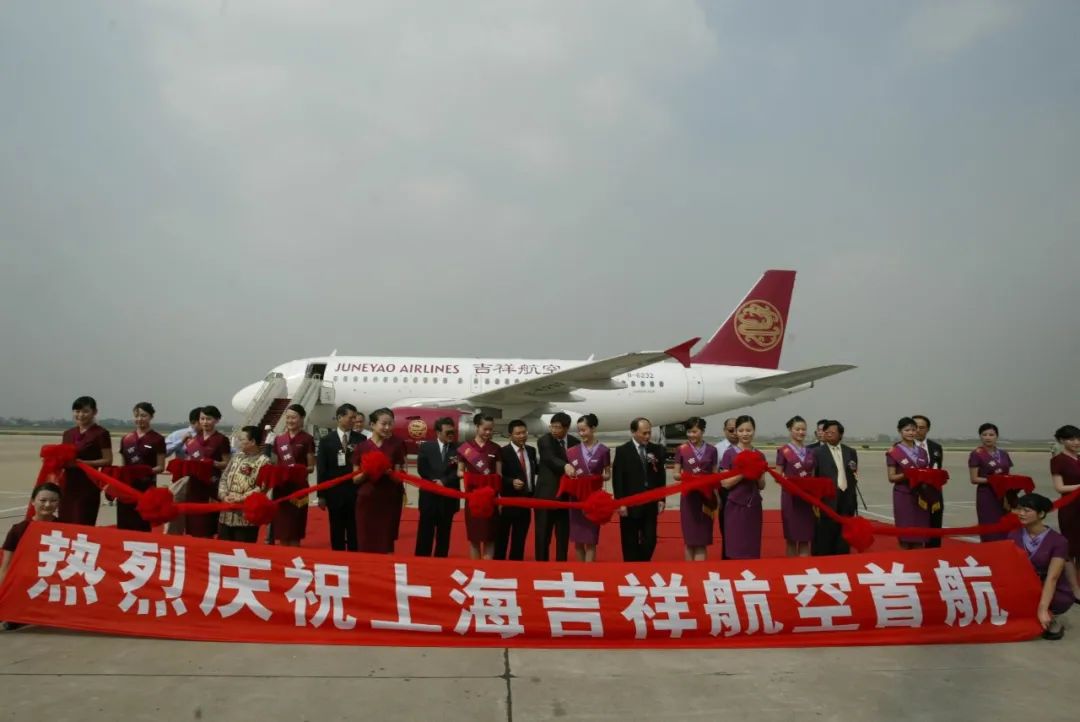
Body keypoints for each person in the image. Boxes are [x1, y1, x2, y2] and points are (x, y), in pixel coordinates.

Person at [1010, 493, 1074, 640]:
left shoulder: (1058, 541)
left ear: (1041, 514)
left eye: (1027, 510)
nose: (1021, 513)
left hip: (1048, 585)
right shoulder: (1013, 535)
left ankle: (1049, 615)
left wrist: (1042, 609)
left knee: (1060, 600)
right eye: (1019, 509)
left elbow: (1053, 577)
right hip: (1025, 585)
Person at [2, 482, 61, 630]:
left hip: (54, 583)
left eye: (53, 501)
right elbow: (6, 565)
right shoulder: (19, 530)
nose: (47, 505)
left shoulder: (65, 528)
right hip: (26, 582)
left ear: (59, 503)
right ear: (33, 501)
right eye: (43, 500)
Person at [352, 408, 407, 554]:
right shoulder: (361, 447)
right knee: (365, 538)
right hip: (367, 498)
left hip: (388, 498)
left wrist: (388, 471)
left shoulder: (396, 446)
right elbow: (355, 479)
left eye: (390, 424)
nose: (387, 428)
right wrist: (367, 471)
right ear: (372, 425)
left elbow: (399, 476)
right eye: (383, 424)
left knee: (386, 539)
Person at [612, 417, 666, 562]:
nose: (647, 436)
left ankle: (642, 564)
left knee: (650, 540)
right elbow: (618, 479)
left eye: (649, 433)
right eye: (644, 433)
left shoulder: (656, 450)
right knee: (629, 541)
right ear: (633, 432)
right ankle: (631, 568)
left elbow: (661, 476)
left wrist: (662, 499)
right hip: (630, 504)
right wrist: (620, 502)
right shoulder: (623, 451)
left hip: (650, 503)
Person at [58, 396, 113, 526]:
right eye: (77, 411)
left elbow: (108, 460)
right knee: (64, 522)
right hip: (68, 485)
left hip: (88, 485)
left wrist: (84, 463)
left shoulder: (101, 433)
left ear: (94, 412)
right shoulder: (68, 433)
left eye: (85, 411)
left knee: (82, 521)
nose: (81, 415)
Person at [564, 414, 611, 562]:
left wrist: (596, 478)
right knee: (578, 540)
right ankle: (580, 570)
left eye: (584, 430)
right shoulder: (572, 451)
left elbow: (607, 474)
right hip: (576, 499)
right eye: (579, 430)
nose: (581, 433)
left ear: (593, 429)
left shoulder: (604, 450)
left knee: (591, 539)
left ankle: (589, 570)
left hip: (593, 499)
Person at [718, 415, 766, 560]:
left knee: (752, 545)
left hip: (754, 505)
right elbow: (725, 483)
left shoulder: (759, 455)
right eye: (741, 430)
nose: (745, 434)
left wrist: (757, 473)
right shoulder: (729, 454)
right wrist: (744, 473)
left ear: (754, 431)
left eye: (748, 430)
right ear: (736, 432)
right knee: (735, 545)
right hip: (735, 504)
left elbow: (762, 485)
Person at [317, 404, 363, 551]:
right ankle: (338, 557)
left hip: (355, 492)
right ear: (339, 418)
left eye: (355, 418)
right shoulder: (326, 441)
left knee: (354, 529)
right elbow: (322, 469)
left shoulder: (361, 439)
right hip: (334, 494)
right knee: (336, 529)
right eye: (351, 418)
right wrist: (321, 495)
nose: (354, 421)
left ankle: (354, 557)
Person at [535, 412, 579, 562]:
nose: (554, 430)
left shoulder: (574, 442)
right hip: (546, 495)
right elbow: (550, 458)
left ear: (566, 428)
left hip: (565, 496)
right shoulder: (544, 440)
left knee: (562, 535)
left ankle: (561, 565)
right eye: (552, 426)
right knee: (543, 535)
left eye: (557, 427)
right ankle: (541, 566)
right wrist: (565, 466)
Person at [115, 402, 166, 532]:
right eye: (136, 416)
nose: (139, 419)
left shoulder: (158, 439)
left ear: (151, 417)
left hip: (146, 488)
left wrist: (145, 471)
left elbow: (161, 467)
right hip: (127, 489)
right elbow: (124, 466)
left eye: (143, 415)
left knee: (142, 525)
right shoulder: (126, 439)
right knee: (124, 525)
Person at [458, 413, 503, 560]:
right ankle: (475, 569)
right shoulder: (466, 448)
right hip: (473, 498)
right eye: (485, 429)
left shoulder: (496, 448)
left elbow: (499, 475)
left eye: (491, 429)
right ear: (477, 427)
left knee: (490, 538)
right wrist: (474, 478)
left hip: (490, 499)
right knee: (474, 538)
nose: (488, 432)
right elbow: (459, 471)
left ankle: (486, 569)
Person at [269, 405, 315, 547]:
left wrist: (297, 471)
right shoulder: (279, 440)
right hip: (281, 489)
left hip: (298, 489)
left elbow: (311, 467)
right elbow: (274, 463)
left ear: (302, 418)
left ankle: (295, 554)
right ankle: (283, 557)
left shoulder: (307, 439)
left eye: (293, 417)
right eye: (288, 417)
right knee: (282, 528)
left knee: (295, 528)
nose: (290, 420)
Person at [812, 420, 860, 556]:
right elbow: (814, 477)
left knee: (843, 538)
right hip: (827, 500)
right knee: (825, 538)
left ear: (841, 435)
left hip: (847, 499)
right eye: (826, 432)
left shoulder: (850, 452)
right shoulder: (817, 452)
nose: (828, 434)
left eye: (832, 432)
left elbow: (853, 474)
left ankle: (842, 561)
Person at [673, 416, 718, 561]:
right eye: (689, 432)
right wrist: (688, 477)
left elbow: (715, 475)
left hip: (706, 499)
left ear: (702, 431)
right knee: (690, 540)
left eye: (694, 432)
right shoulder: (682, 449)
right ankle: (689, 571)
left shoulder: (712, 450)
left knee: (702, 540)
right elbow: (675, 474)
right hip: (689, 498)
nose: (691, 435)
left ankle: (700, 572)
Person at [217, 426, 271, 543]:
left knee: (242, 551)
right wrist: (224, 495)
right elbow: (224, 477)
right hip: (226, 514)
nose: (239, 442)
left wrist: (240, 498)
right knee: (223, 549)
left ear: (253, 441)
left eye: (242, 439)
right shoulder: (236, 457)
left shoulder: (264, 461)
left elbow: (262, 487)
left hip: (246, 519)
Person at [183, 405, 231, 538]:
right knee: (194, 524)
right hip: (194, 485)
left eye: (208, 419)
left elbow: (227, 464)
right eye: (202, 419)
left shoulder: (221, 439)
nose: (205, 422)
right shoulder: (194, 439)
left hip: (211, 485)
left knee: (207, 525)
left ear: (217, 420)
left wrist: (212, 463)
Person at [415, 417, 460, 558]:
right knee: (425, 533)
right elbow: (422, 469)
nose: (451, 435)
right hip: (429, 497)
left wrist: (444, 481)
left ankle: (441, 562)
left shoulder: (459, 449)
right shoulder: (426, 447)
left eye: (453, 432)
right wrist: (434, 482)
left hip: (448, 498)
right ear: (438, 432)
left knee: (444, 535)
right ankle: (421, 562)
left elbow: (459, 471)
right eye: (448, 432)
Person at [887, 417, 932, 550]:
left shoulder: (922, 452)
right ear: (900, 431)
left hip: (921, 496)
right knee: (905, 534)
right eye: (907, 430)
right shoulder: (894, 452)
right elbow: (891, 477)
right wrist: (907, 475)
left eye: (913, 430)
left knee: (920, 534)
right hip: (904, 495)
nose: (911, 433)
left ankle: (918, 560)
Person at [496, 419, 538, 561]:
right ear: (510, 435)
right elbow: (497, 475)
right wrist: (511, 482)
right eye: (518, 433)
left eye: (524, 432)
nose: (522, 436)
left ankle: (516, 567)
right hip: (507, 502)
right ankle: (498, 567)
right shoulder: (502, 452)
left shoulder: (531, 451)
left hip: (525, 502)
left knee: (519, 541)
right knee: (501, 539)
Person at [968, 423, 1015, 542]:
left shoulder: (1004, 454)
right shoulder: (976, 454)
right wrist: (992, 480)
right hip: (987, 494)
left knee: (1005, 525)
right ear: (980, 436)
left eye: (991, 434)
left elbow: (1007, 475)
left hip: (1003, 494)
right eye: (984, 435)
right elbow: (974, 479)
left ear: (997, 436)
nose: (988, 437)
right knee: (989, 525)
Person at [777, 415, 816, 557]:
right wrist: (791, 484)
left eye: (803, 429)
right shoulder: (784, 451)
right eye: (797, 429)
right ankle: (792, 567)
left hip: (806, 498)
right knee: (792, 538)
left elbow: (813, 475)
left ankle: (804, 567)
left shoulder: (811, 452)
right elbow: (778, 476)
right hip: (790, 498)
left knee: (805, 538)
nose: (801, 432)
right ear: (790, 430)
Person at [1050, 424, 1080, 602]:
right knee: (1071, 549)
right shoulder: (1058, 460)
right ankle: (1074, 588)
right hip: (1070, 508)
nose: (1076, 442)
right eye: (1071, 439)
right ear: (1062, 441)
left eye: (1078, 438)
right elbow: (1059, 487)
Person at [164, 407, 202, 536]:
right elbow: (164, 451)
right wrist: (181, 442)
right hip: (181, 479)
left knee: (198, 516)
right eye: (202, 419)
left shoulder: (210, 436)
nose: (205, 422)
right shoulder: (178, 434)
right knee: (175, 512)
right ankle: (172, 540)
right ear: (193, 421)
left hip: (201, 479)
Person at [913, 415, 945, 548]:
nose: (917, 430)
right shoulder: (902, 447)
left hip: (934, 494)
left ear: (928, 429)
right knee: (914, 533)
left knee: (934, 529)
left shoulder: (936, 447)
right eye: (915, 427)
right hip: (914, 494)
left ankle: (934, 556)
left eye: (921, 427)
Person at [715, 416, 738, 559]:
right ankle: (727, 560)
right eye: (731, 430)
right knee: (726, 528)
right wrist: (717, 496)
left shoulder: (747, 448)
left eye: (737, 429)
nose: (735, 433)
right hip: (725, 493)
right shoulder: (718, 449)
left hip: (743, 494)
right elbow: (714, 474)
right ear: (724, 430)